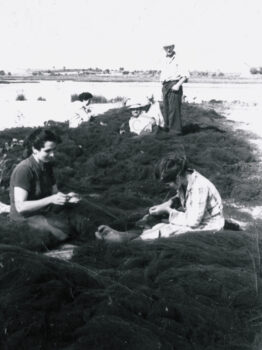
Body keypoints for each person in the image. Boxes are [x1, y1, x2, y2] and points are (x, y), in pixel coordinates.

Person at [95, 151, 224, 242]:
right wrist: (167, 204)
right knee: (158, 226)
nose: (169, 187)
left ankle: (129, 242)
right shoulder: (186, 179)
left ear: (178, 177)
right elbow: (182, 197)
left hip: (209, 226)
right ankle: (124, 236)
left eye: (169, 184)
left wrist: (168, 212)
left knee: (167, 230)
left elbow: (193, 222)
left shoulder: (199, 187)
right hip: (197, 219)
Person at [9, 128, 84, 242]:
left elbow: (54, 193)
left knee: (78, 216)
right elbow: (21, 207)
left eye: (54, 150)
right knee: (63, 234)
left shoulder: (47, 165)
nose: (52, 154)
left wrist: (67, 197)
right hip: (25, 218)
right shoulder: (24, 169)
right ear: (35, 149)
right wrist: (51, 199)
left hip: (42, 212)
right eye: (48, 151)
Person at [160, 43, 189, 134]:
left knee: (174, 109)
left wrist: (177, 85)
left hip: (174, 84)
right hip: (165, 85)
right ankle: (167, 128)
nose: (168, 49)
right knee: (166, 108)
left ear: (173, 47)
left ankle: (175, 131)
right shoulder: (163, 60)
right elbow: (163, 76)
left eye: (170, 47)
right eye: (166, 48)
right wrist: (162, 89)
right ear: (164, 49)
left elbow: (185, 76)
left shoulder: (179, 59)